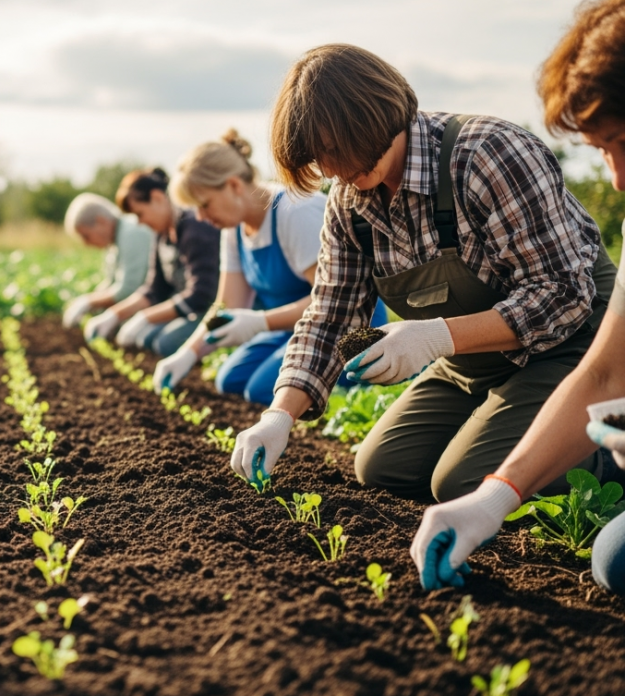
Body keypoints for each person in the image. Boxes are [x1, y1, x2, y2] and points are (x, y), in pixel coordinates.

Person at [229, 44, 617, 502]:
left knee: (462, 482)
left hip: (570, 348)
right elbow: (331, 315)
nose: (330, 169)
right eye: (318, 158)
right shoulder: (350, 202)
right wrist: (280, 415)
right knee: (382, 468)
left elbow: (562, 295)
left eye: (332, 149)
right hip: (471, 365)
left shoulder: (486, 154)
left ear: (369, 117)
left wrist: (435, 338)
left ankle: (609, 448)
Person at [412, 0, 625, 592]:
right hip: (493, 370)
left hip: (550, 343)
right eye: (602, 150)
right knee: (616, 560)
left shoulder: (484, 158)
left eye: (621, 141)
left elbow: (560, 295)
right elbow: (606, 377)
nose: (616, 179)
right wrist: (492, 500)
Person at [150, 130, 387, 403]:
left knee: (261, 389)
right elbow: (227, 304)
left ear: (234, 186)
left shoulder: (294, 212)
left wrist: (260, 322)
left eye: (204, 205)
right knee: (231, 381)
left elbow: (336, 303)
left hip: (342, 328)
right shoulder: (234, 229)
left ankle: (368, 382)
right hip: (290, 329)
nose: (201, 217)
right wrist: (187, 353)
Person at [82, 168, 221, 356]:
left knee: (165, 343)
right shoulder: (161, 234)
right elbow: (154, 288)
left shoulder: (194, 228)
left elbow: (201, 295)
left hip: (211, 308)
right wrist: (114, 315)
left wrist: (144, 317)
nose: (139, 223)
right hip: (189, 309)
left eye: (140, 214)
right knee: (145, 338)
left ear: (157, 197)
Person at [60, 192, 156, 328]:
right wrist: (90, 300)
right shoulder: (115, 240)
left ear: (101, 221)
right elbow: (111, 283)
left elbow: (128, 289)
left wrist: (89, 302)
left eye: (86, 236)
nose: (86, 244)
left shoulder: (132, 233)